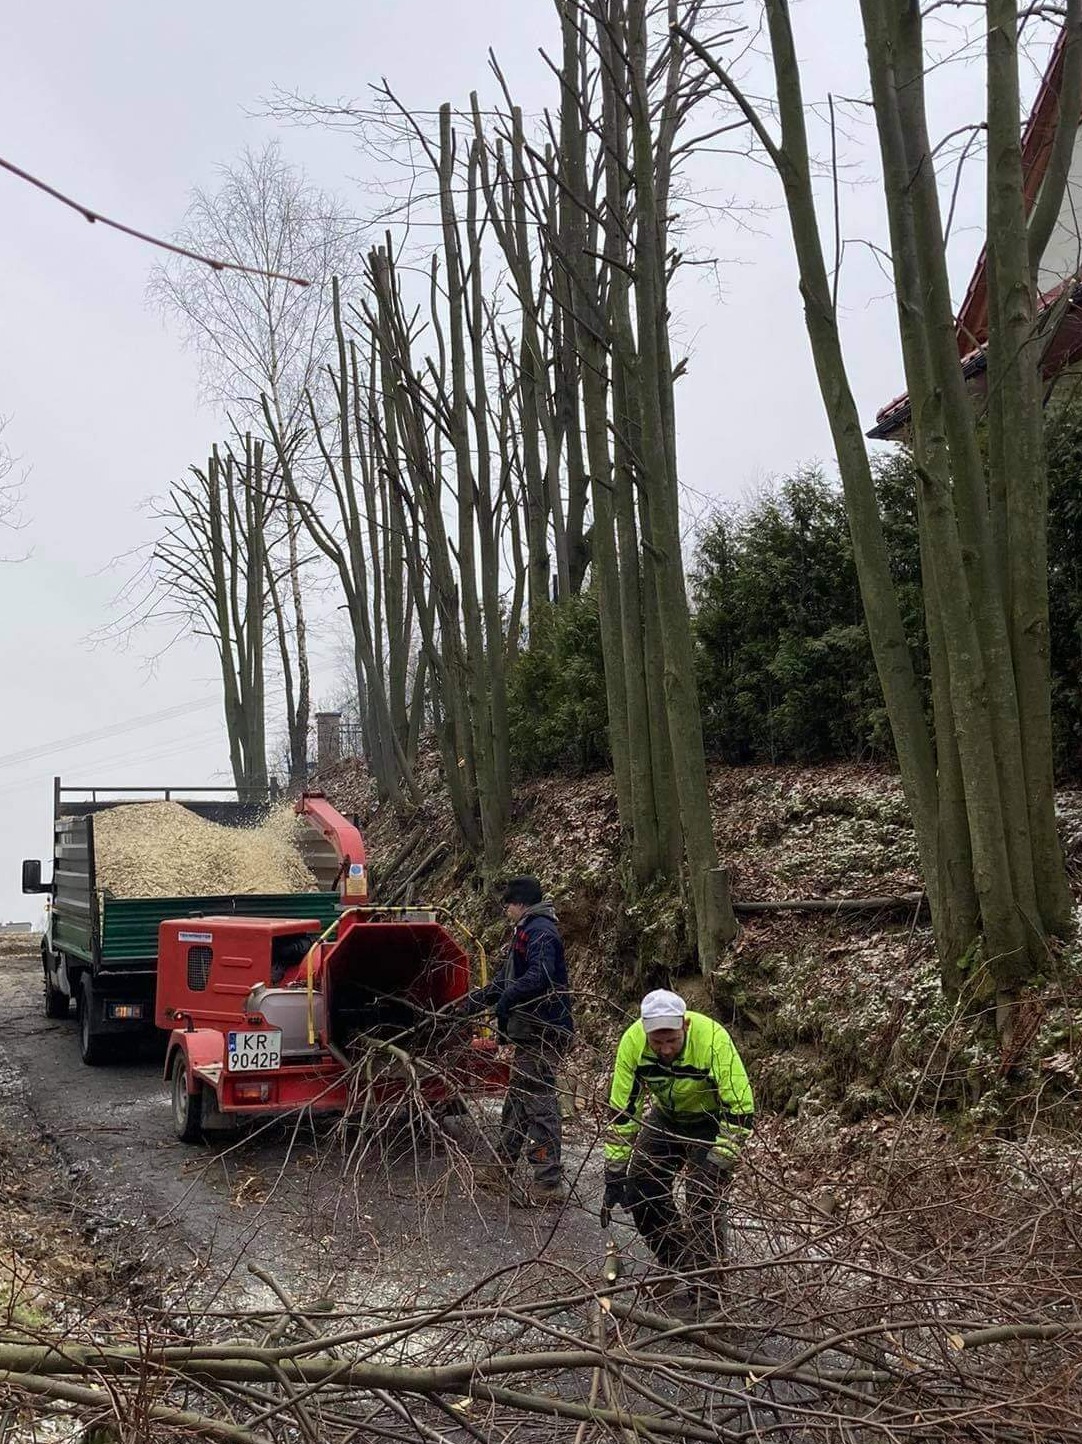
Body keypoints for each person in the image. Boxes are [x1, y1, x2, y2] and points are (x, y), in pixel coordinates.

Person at [603, 989, 754, 1307]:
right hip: (668, 1116)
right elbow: (623, 1112)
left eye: (671, 1040)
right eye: (657, 1043)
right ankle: (681, 1263)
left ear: (684, 1025)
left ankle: (709, 1293)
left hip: (711, 1120)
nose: (666, 1049)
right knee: (641, 1187)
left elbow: (739, 1106)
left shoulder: (712, 1039)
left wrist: (720, 1161)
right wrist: (615, 1170)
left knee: (702, 1198)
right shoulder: (633, 1043)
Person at [462, 875, 574, 1205]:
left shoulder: (540, 931)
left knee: (538, 1102)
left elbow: (540, 975)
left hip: (543, 1030)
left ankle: (548, 1182)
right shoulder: (525, 931)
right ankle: (500, 1167)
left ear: (521, 903)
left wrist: (507, 1000)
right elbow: (506, 979)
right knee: (517, 1101)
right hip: (530, 1031)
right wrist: (471, 1004)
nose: (505, 909)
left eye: (508, 904)